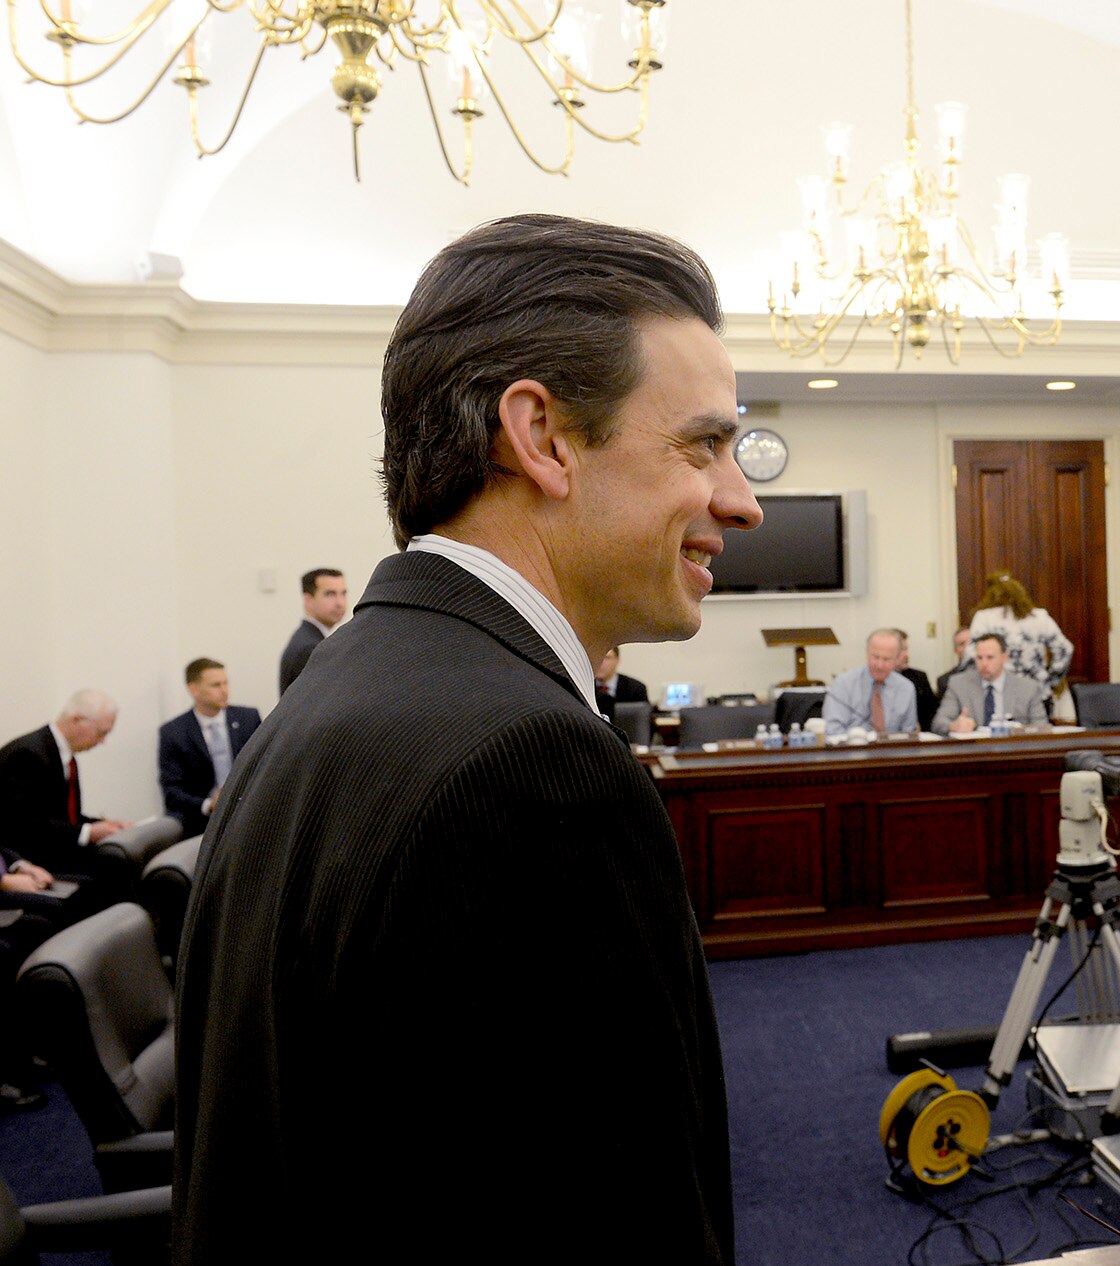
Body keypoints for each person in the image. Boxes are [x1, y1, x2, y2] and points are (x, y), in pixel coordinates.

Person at [173, 214, 757, 1265]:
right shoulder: (532, 766)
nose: (741, 501)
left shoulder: (344, 682)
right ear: (539, 436)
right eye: (702, 445)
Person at [0, 690, 136, 889]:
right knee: (111, 877)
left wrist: (102, 825)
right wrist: (88, 832)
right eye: (101, 733)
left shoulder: (61, 754)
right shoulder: (27, 754)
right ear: (76, 720)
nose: (102, 742)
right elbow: (24, 825)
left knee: (125, 862)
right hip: (31, 859)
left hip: (55, 850)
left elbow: (64, 816)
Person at [158, 658, 262, 837]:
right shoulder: (174, 732)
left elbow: (263, 765)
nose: (224, 690)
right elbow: (171, 792)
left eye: (225, 683)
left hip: (250, 812)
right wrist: (208, 804)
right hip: (201, 824)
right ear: (193, 689)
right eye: (215, 685)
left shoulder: (248, 719)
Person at [968, 572, 1073, 700]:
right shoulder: (1039, 617)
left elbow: (971, 656)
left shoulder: (984, 618)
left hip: (999, 692)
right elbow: (1065, 649)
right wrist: (1051, 680)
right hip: (1037, 691)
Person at [932, 633, 1051, 733]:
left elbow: (1042, 728)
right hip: (974, 753)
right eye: (979, 658)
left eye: (990, 657)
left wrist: (1017, 730)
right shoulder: (959, 684)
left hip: (1013, 753)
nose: (983, 664)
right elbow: (938, 722)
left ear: (1004, 657)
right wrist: (954, 726)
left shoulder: (1027, 688)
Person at [823, 629, 920, 734]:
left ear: (897, 659)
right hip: (851, 748)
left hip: (891, 749)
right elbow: (832, 730)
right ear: (867, 653)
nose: (879, 665)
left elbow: (909, 734)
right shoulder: (843, 684)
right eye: (875, 657)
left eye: (886, 659)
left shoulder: (906, 688)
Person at [278, 567, 347, 695]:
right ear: (308, 600)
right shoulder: (310, 648)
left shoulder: (309, 639)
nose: (340, 603)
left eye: (343, 594)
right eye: (330, 594)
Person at [893, 628, 940, 731]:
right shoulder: (876, 679)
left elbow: (932, 715)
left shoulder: (919, 678)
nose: (906, 655)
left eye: (906, 649)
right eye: (901, 650)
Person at [593, 645, 651, 723]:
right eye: (597, 657)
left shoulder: (636, 689)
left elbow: (642, 724)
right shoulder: (584, 688)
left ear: (617, 660)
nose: (601, 662)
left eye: (607, 657)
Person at [937, 627, 975, 692]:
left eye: (971, 642)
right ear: (956, 650)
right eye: (962, 644)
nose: (968, 647)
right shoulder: (946, 681)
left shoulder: (990, 674)